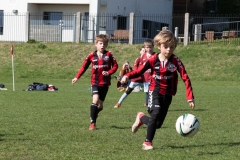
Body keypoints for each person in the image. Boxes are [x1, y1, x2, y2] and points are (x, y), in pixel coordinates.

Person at [121, 30, 195, 150]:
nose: (169, 50)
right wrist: (127, 76)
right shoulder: (153, 60)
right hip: (154, 91)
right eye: (166, 47)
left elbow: (185, 77)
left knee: (158, 124)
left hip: (168, 95)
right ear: (159, 46)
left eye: (172, 47)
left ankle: (140, 117)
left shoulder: (176, 61)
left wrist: (190, 97)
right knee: (155, 113)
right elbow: (139, 71)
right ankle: (147, 142)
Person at [72, 34, 118, 130]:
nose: (102, 46)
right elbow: (84, 67)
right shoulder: (91, 56)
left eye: (104, 44)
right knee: (95, 100)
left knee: (100, 106)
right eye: (100, 43)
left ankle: (95, 113)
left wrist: (109, 72)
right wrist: (77, 77)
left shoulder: (109, 55)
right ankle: (92, 123)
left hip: (105, 84)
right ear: (96, 44)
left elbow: (115, 66)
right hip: (95, 83)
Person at [141, 39, 156, 107]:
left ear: (153, 47)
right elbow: (141, 67)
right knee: (147, 91)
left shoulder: (156, 55)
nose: (148, 49)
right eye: (147, 47)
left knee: (154, 91)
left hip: (154, 77)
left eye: (150, 47)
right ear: (144, 47)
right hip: (146, 77)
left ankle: (152, 103)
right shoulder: (143, 56)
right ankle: (147, 103)